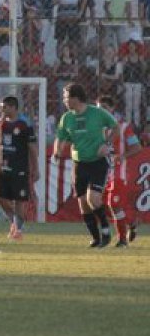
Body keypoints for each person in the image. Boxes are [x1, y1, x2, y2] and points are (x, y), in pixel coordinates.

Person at [52, 83, 119, 247]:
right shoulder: (66, 118)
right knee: (83, 202)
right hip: (79, 164)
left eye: (66, 97)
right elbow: (60, 137)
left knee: (93, 198)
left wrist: (107, 144)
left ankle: (105, 230)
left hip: (97, 163)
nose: (64, 101)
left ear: (76, 98)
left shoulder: (97, 113)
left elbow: (115, 127)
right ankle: (96, 238)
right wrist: (57, 151)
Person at [96, 95, 142, 247]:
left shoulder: (123, 127)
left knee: (113, 203)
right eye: (98, 109)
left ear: (112, 109)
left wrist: (122, 156)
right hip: (104, 172)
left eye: (104, 109)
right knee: (107, 205)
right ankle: (131, 222)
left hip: (119, 173)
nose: (100, 112)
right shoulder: (98, 129)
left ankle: (122, 239)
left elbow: (137, 147)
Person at [0, 96, 38, 241]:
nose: (2, 110)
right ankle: (15, 221)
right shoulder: (1, 123)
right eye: (1, 107)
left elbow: (32, 148)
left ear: (13, 108)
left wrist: (35, 168)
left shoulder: (25, 124)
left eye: (4, 107)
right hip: (3, 167)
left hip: (20, 168)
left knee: (20, 200)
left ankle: (18, 229)